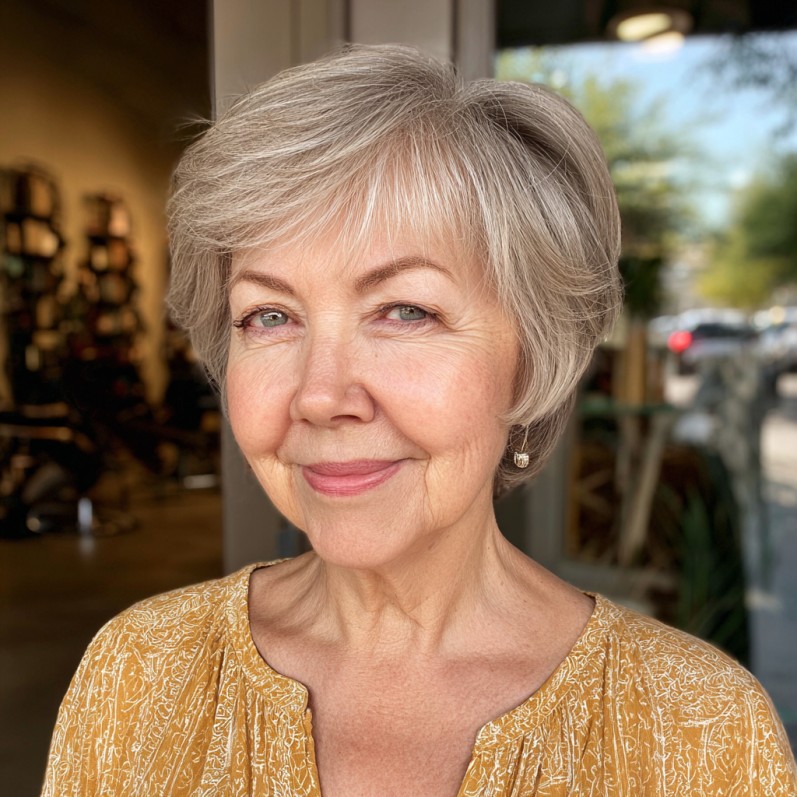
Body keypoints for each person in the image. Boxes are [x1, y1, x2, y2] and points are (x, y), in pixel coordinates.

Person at [42, 44, 796, 796]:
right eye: (269, 315)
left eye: (406, 310)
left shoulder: (699, 731)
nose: (318, 393)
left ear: (530, 358)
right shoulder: (137, 673)